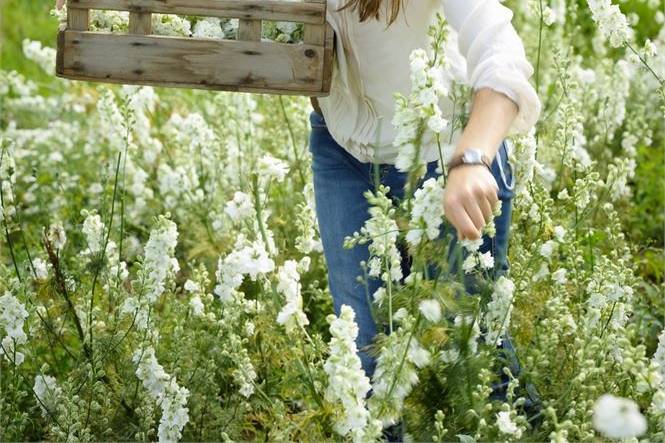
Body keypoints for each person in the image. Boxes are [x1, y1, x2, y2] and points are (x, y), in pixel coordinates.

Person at [307, 0, 542, 440]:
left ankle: (529, 431)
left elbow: (502, 51)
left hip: (447, 153)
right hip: (342, 153)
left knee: (473, 348)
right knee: (360, 356)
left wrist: (471, 159)